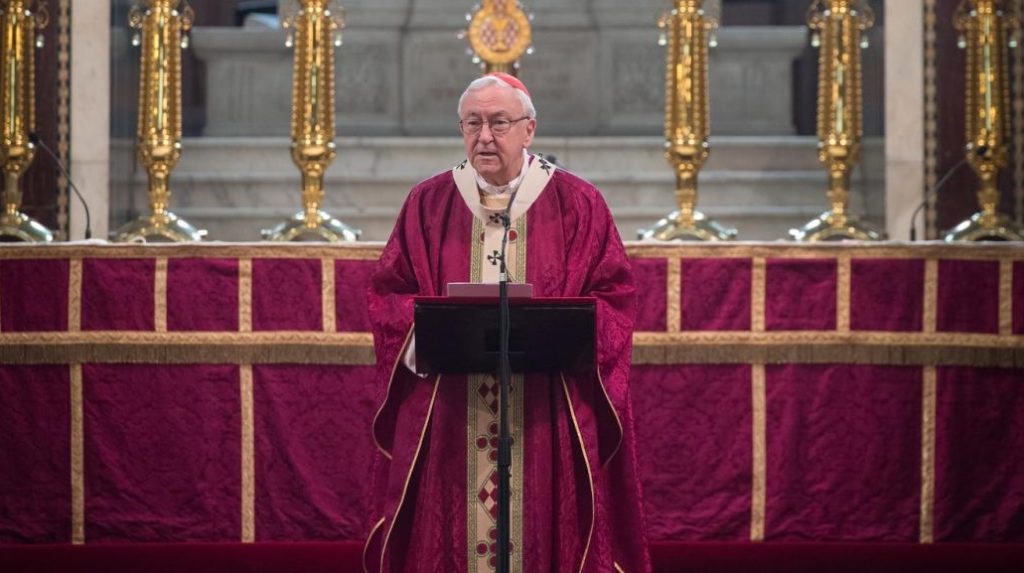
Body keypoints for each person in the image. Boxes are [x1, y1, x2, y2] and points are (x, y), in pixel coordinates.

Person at [363, 73, 651, 573]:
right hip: (453, 408)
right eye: (472, 123)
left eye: (498, 122)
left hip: (545, 410)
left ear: (529, 129)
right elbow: (390, 291)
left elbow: (615, 296)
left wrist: (571, 332)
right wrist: (423, 333)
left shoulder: (578, 204)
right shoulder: (428, 204)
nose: (484, 137)